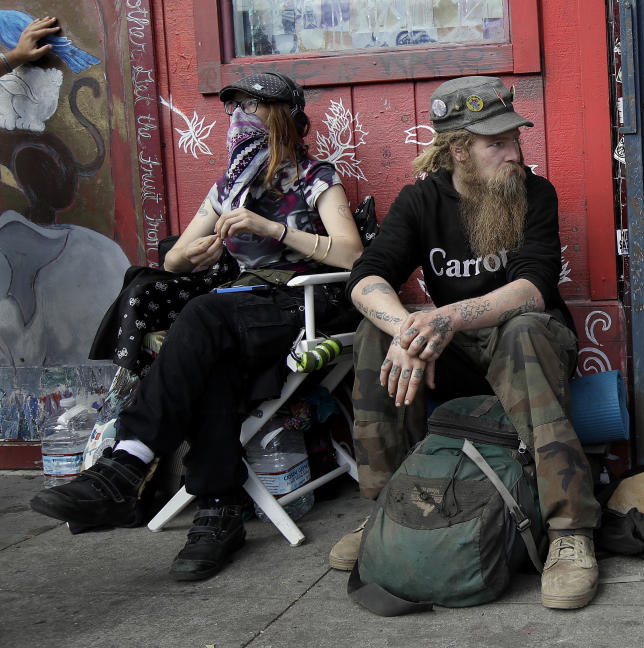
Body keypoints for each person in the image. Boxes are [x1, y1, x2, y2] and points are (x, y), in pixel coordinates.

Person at [30, 72, 363, 581]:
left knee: (203, 315)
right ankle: (218, 510)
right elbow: (176, 262)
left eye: (252, 109)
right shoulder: (227, 187)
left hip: (301, 304)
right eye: (233, 110)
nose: (238, 120)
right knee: (212, 352)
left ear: (286, 121)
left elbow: (352, 254)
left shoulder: (316, 177)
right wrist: (190, 255)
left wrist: (272, 228)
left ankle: (129, 462)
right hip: (237, 311)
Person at [330, 76, 602, 609]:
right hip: (453, 355)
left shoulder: (534, 194)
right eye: (496, 143)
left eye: (515, 139)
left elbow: (532, 288)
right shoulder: (420, 201)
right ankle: (390, 505)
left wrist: (443, 319)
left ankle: (572, 531)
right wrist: (405, 329)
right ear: (458, 150)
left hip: (527, 349)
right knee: (370, 334)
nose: (514, 153)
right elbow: (366, 278)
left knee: (523, 327)